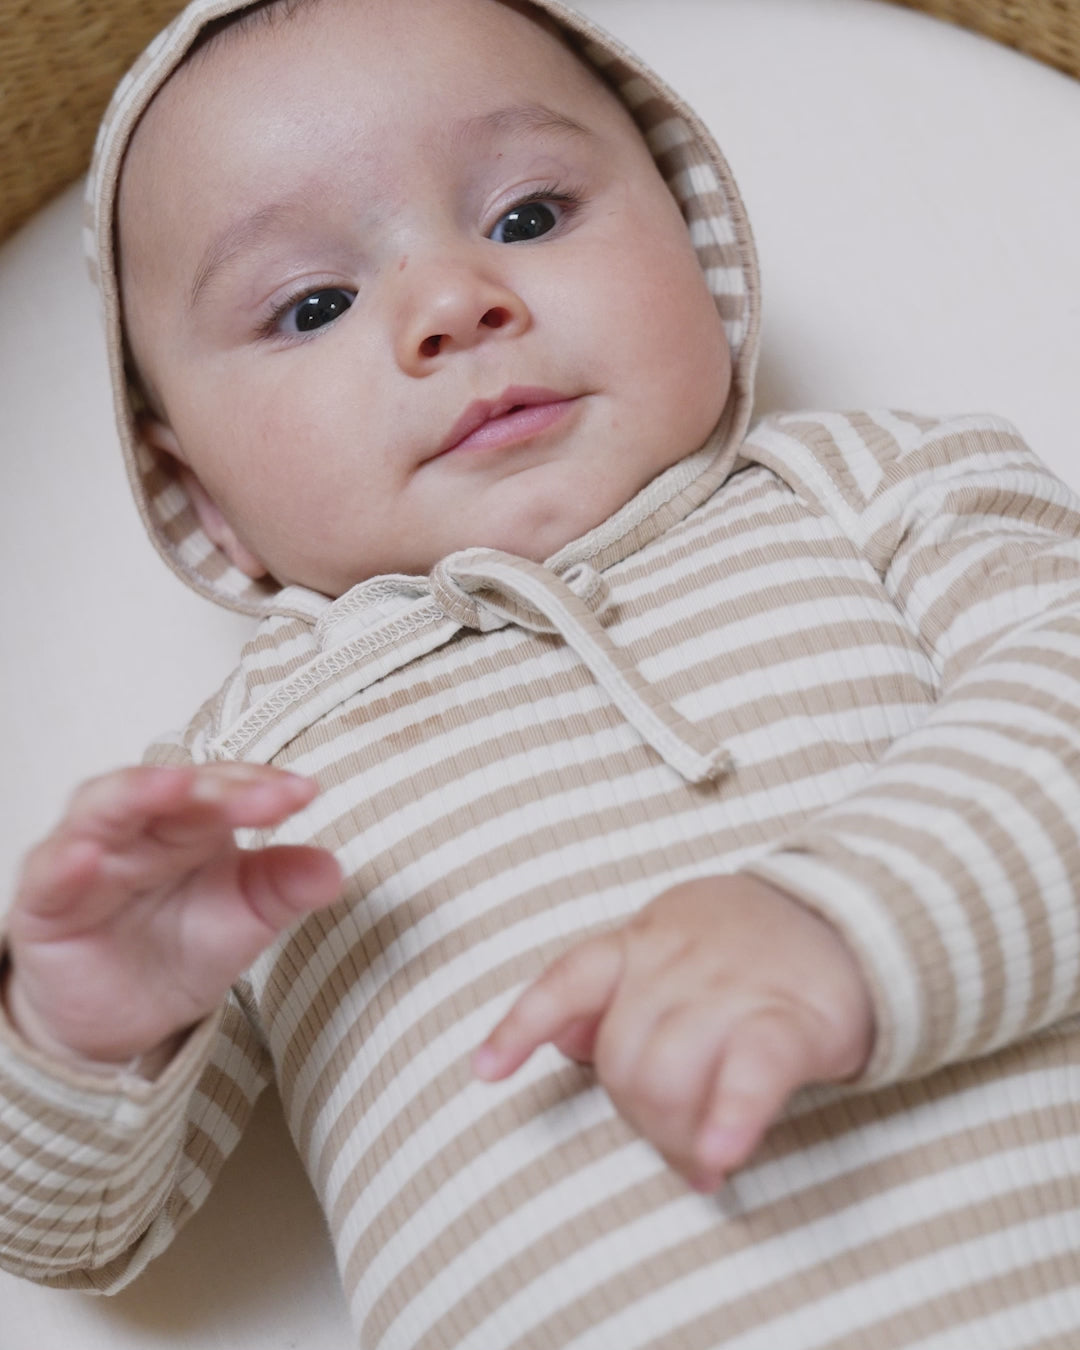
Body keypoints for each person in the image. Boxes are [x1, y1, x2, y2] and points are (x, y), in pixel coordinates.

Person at [2, 0, 1079, 1344]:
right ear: (197, 490)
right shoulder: (232, 787)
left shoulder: (870, 489)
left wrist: (841, 923)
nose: (455, 304)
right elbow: (75, 1232)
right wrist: (73, 1033)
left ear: (694, 235)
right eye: (314, 304)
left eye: (527, 216)